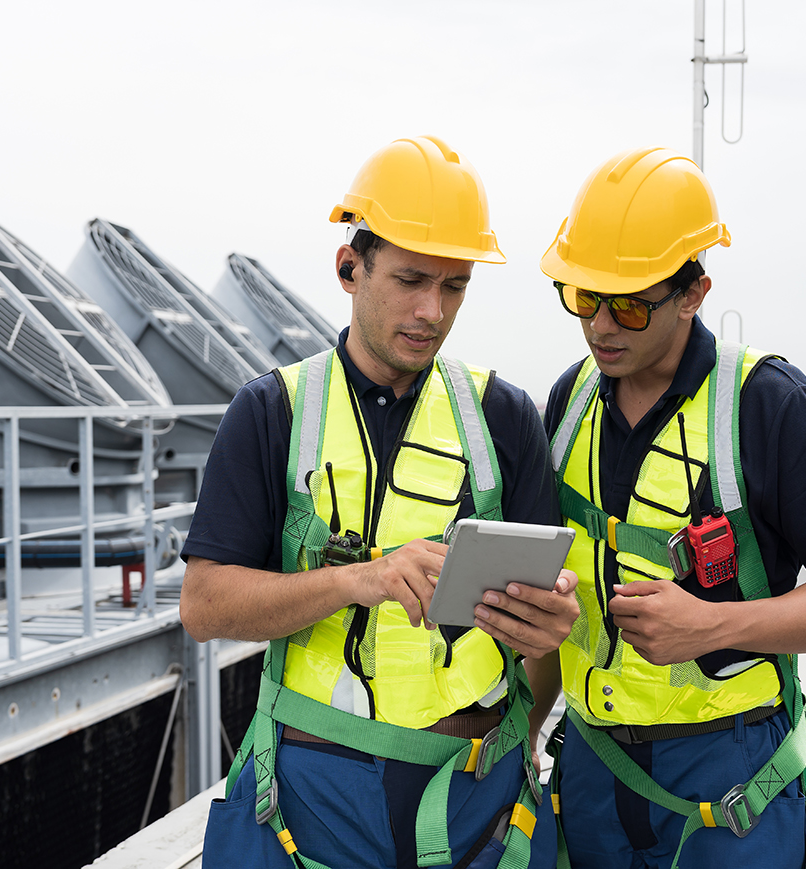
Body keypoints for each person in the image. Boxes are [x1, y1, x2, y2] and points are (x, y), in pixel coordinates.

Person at [179, 135, 579, 869]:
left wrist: (550, 622)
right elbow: (205, 607)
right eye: (410, 279)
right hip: (311, 796)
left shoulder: (504, 416)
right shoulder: (272, 411)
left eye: (454, 286)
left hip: (472, 792)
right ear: (349, 267)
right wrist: (358, 579)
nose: (432, 310)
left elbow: (545, 637)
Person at [529, 147, 806, 869]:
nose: (601, 326)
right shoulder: (569, 403)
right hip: (593, 770)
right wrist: (526, 732)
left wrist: (714, 626)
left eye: (629, 304)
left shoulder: (768, 404)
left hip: (728, 780)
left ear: (693, 293)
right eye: (582, 297)